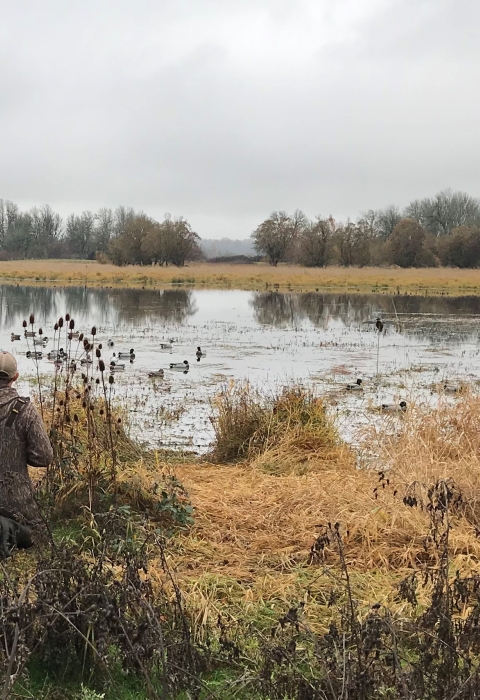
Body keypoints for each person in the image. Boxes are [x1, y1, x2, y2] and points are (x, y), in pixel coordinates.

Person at [0, 351, 53, 553]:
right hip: (19, 508)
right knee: (36, 534)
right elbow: (44, 457)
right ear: (15, 377)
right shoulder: (25, 410)